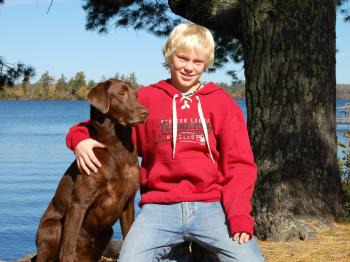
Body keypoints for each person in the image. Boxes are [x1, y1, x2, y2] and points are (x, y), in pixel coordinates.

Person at [66, 23, 264, 261]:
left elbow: (240, 165)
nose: (189, 67)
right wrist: (79, 139)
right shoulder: (147, 98)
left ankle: (198, 251)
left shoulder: (222, 103)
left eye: (197, 62)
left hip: (211, 205)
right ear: (170, 55)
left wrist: (240, 215)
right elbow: (104, 125)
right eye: (183, 58)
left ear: (206, 64)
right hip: (159, 207)